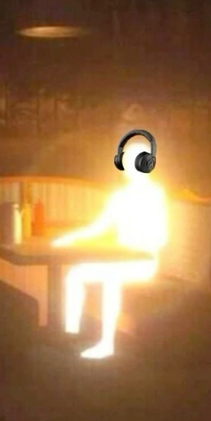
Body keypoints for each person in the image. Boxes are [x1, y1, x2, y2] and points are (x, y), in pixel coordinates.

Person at [52, 137, 168, 358]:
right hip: (119, 259)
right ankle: (69, 333)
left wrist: (141, 244)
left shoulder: (156, 195)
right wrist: (68, 238)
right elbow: (97, 227)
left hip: (144, 262)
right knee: (75, 274)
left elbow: (162, 237)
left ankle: (106, 344)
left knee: (110, 279)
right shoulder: (119, 196)